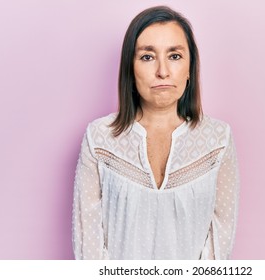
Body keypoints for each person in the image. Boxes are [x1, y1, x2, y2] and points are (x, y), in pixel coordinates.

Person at [72, 5, 240, 260]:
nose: (163, 71)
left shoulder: (218, 140)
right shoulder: (99, 138)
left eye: (174, 56)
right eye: (147, 57)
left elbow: (220, 238)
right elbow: (88, 245)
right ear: (131, 68)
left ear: (189, 69)